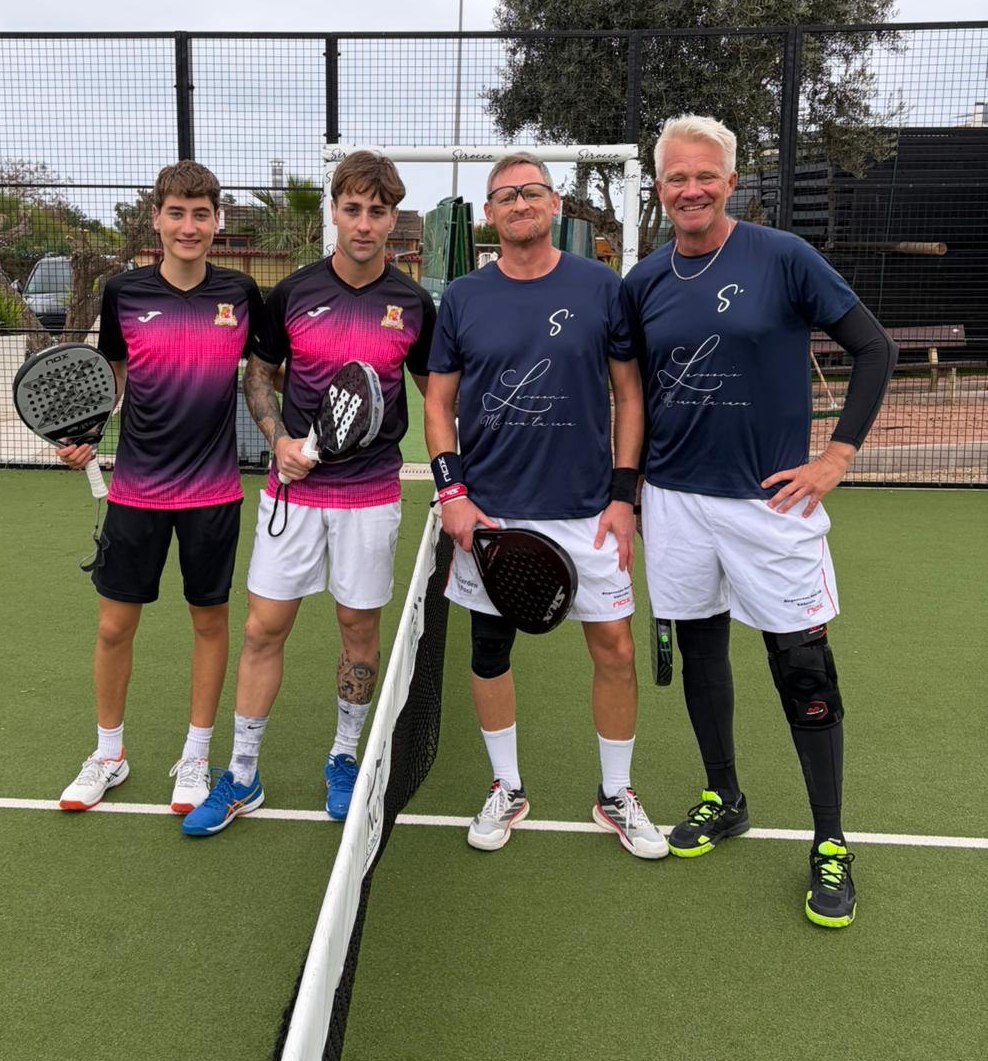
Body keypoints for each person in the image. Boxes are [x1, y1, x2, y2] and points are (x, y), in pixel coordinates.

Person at [623, 114, 896, 928]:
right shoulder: (643, 281)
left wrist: (837, 456)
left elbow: (873, 348)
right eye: (677, 177)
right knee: (702, 651)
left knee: (802, 666)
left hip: (772, 505)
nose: (692, 189)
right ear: (660, 188)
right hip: (674, 502)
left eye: (705, 175)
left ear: (731, 181)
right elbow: (631, 395)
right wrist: (627, 491)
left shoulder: (784, 257)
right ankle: (726, 796)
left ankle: (830, 840)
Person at [182, 151, 436, 836]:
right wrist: (278, 440)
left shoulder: (414, 304)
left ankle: (344, 758)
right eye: (352, 209)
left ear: (393, 218)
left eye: (377, 211)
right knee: (263, 628)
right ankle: (242, 774)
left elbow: (437, 395)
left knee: (359, 632)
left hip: (371, 497)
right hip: (293, 496)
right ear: (334, 211)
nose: (364, 224)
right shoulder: (293, 293)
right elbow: (258, 376)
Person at [424, 155, 668, 859]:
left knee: (615, 647)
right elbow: (437, 404)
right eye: (505, 195)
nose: (520, 203)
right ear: (489, 213)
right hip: (491, 514)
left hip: (589, 510)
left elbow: (630, 395)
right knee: (489, 649)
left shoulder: (601, 285)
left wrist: (623, 498)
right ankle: (506, 786)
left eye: (532, 191)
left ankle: (616, 793)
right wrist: (452, 494)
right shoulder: (463, 297)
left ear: (554, 203)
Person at [56, 160, 264, 814]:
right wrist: (84, 432)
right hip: (136, 492)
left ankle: (197, 756)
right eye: (177, 213)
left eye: (201, 214)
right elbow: (112, 378)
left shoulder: (240, 293)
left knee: (209, 622)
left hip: (214, 493)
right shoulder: (123, 292)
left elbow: (265, 373)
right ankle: (108, 754)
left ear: (217, 221)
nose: (189, 226)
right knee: (114, 626)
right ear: (156, 219)